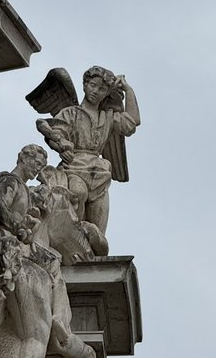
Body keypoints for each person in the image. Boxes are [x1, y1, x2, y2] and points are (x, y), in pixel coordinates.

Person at [36, 67, 140, 237]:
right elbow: (56, 133)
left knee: (97, 232)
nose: (96, 91)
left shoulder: (107, 117)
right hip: (74, 165)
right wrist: (61, 147)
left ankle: (91, 247)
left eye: (102, 89)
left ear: (107, 93)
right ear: (85, 85)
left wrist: (128, 90)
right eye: (93, 85)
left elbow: (132, 123)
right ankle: (71, 235)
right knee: (78, 192)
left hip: (99, 172)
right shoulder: (71, 112)